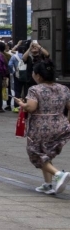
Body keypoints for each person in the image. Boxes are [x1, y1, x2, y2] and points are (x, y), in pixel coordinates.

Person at [14, 60, 70, 195]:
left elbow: (32, 107)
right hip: (61, 124)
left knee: (35, 153)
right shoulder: (64, 88)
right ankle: (48, 184)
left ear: (38, 76)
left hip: (41, 125)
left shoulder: (34, 89)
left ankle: (58, 174)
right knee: (46, 153)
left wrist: (22, 104)